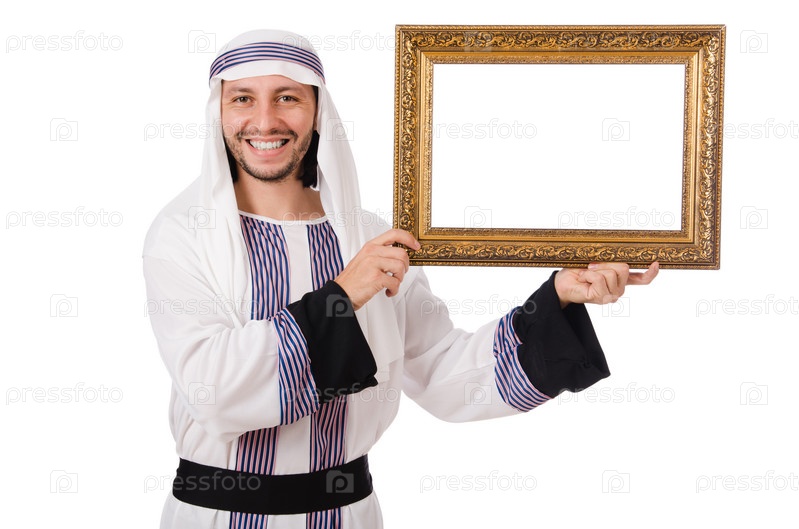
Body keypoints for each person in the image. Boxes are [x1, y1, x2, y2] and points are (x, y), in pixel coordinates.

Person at [142, 29, 659, 529]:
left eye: (287, 97)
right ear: (219, 112)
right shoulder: (183, 234)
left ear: (318, 111)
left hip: (348, 515)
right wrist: (343, 297)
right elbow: (213, 391)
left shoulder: (369, 237)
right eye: (242, 99)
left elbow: (442, 370)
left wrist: (558, 298)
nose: (264, 120)